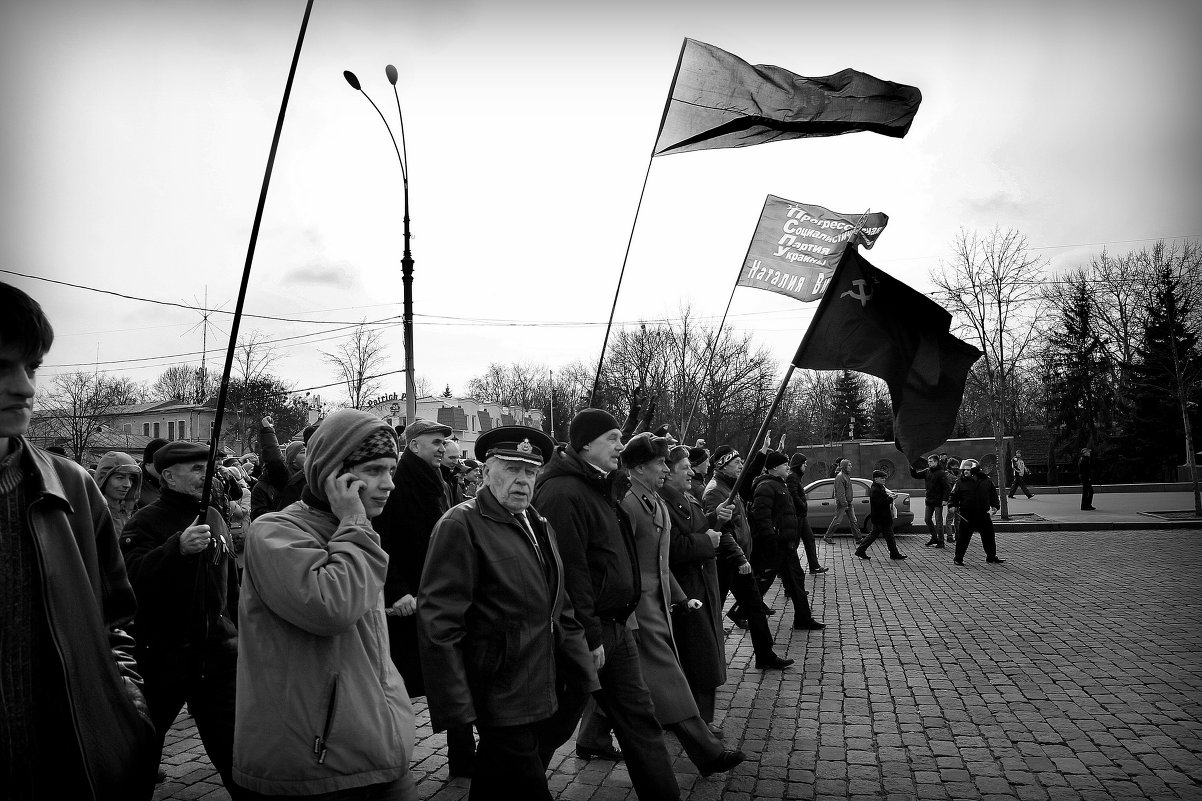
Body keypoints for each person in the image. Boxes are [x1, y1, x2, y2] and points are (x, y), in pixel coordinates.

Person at [0, 282, 157, 800]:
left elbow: (114, 623)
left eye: (33, 367)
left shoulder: (70, 487)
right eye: (1, 368)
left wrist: (125, 710)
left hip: (67, 774)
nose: (25, 388)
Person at [234, 409, 416, 800]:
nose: (388, 484)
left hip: (375, 743)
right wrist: (355, 521)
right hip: (315, 758)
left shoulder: (353, 529)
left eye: (391, 469)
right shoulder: (276, 531)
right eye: (373, 470)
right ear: (333, 473)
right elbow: (331, 608)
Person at [418, 426, 598, 800]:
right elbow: (439, 622)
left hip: (541, 682)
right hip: (499, 691)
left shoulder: (538, 523)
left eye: (530, 472)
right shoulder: (461, 524)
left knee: (495, 778)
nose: (522, 481)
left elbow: (559, 604)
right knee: (528, 783)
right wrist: (456, 705)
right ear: (486, 472)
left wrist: (581, 666)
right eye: (511, 469)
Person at [533, 408, 682, 800]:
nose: (621, 446)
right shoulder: (562, 492)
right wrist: (589, 634)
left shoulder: (601, 485)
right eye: (612, 438)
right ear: (585, 445)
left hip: (618, 627)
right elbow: (571, 573)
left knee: (640, 721)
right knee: (552, 728)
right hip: (587, 634)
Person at [120, 440, 245, 799]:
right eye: (195, 469)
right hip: (163, 656)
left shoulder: (216, 516)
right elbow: (131, 579)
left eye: (206, 468)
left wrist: (236, 630)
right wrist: (176, 549)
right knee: (143, 748)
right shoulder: (145, 522)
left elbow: (229, 583)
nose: (205, 475)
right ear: (169, 477)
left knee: (234, 750)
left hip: (218, 655)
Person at [618, 434, 745, 776]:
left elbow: (659, 562)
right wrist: (628, 614)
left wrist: (679, 596)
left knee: (621, 690)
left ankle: (590, 737)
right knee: (668, 681)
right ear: (639, 468)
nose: (666, 468)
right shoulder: (629, 504)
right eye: (660, 463)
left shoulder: (653, 503)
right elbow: (627, 566)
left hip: (659, 605)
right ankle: (707, 752)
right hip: (638, 611)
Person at [374, 418, 476, 776]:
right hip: (410, 600)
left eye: (443, 443)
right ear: (414, 445)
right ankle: (381, 755)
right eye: (435, 442)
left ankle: (464, 757)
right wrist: (396, 589)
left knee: (451, 674)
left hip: (437, 593)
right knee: (395, 682)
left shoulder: (436, 479)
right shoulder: (398, 482)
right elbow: (381, 539)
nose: (442, 448)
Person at [702, 441, 794, 670]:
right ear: (723, 466)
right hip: (727, 561)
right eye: (736, 462)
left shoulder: (731, 485)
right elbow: (720, 529)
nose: (740, 465)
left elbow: (749, 473)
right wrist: (740, 557)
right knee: (714, 611)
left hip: (739, 558)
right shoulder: (715, 491)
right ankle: (706, 661)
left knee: (754, 607)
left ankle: (765, 655)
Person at [659, 444, 729, 728]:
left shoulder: (686, 497)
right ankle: (698, 721)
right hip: (687, 589)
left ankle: (700, 718)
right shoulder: (664, 502)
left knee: (704, 654)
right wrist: (706, 541)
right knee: (698, 658)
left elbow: (697, 529)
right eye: (684, 468)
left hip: (701, 584)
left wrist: (715, 519)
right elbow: (671, 547)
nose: (691, 472)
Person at [751, 451, 825, 630]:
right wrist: (772, 540)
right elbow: (762, 516)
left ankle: (803, 618)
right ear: (775, 467)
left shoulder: (779, 484)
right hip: (777, 544)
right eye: (784, 464)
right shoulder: (766, 486)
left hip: (785, 544)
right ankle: (742, 611)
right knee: (764, 581)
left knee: (796, 580)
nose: (788, 467)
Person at [948, 459, 1004, 566]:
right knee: (963, 538)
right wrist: (952, 505)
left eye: (968, 470)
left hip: (983, 514)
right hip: (967, 516)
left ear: (975, 470)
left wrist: (995, 506)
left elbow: (992, 494)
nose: (965, 472)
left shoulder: (986, 481)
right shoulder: (960, 482)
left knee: (989, 536)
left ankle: (991, 556)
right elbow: (954, 495)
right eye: (964, 470)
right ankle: (958, 558)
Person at [785, 453, 827, 573]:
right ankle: (783, 569)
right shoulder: (792, 477)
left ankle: (814, 566)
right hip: (797, 515)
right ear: (799, 464)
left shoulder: (796, 476)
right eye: (804, 463)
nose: (806, 466)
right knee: (794, 543)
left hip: (801, 516)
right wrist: (802, 505)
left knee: (809, 539)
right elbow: (792, 494)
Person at [855, 470, 907, 561]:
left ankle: (860, 550)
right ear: (876, 479)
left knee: (874, 535)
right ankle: (894, 553)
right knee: (889, 536)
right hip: (881, 517)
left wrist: (890, 497)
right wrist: (890, 498)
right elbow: (881, 503)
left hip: (880, 517)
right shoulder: (876, 490)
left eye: (884, 478)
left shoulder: (880, 488)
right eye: (882, 478)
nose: (884, 480)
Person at [249, 416, 289, 520]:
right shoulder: (262, 487)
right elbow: (275, 460)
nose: (307, 453)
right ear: (292, 458)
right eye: (302, 452)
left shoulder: (306, 477)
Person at [96, 450, 142, 537]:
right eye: (120, 478)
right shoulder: (91, 516)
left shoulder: (135, 515)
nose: (128, 485)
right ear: (104, 479)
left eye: (131, 478)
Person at [910, 455, 949, 548]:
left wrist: (945, 499)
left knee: (939, 521)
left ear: (936, 462)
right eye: (929, 461)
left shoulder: (941, 473)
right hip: (929, 500)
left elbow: (947, 487)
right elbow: (916, 475)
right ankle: (934, 537)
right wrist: (912, 468)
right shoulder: (927, 471)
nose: (929, 463)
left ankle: (941, 541)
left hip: (938, 500)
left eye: (931, 461)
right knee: (927, 519)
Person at [823, 458, 862, 545]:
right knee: (837, 520)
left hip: (848, 502)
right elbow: (840, 493)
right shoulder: (840, 477)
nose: (851, 467)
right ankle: (827, 536)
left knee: (853, 520)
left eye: (851, 465)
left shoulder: (846, 475)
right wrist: (844, 503)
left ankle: (858, 538)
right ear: (844, 466)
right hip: (843, 503)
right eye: (849, 465)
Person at [136, 437, 168, 510]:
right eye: (163, 464)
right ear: (148, 463)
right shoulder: (133, 481)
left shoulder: (172, 481)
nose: (167, 468)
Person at [440, 438, 465, 506]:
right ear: (439, 456)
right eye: (452, 458)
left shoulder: (454, 481)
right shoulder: (435, 481)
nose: (456, 462)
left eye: (457, 458)